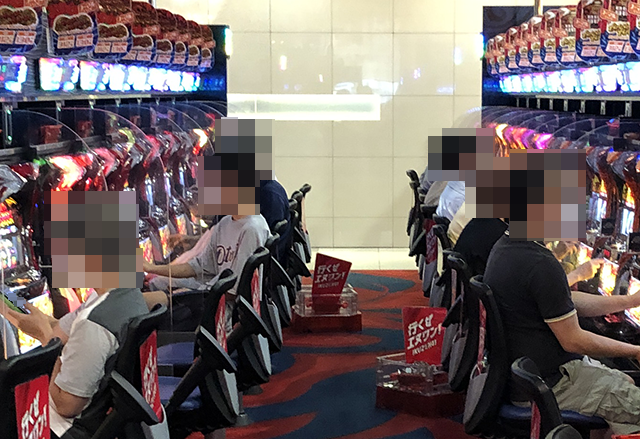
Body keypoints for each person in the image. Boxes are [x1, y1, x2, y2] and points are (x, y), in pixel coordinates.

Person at [1, 191, 149, 438]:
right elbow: (61, 329)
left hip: (66, 428)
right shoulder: (121, 295)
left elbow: (66, 404)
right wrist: (10, 302)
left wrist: (46, 339)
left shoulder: (95, 325)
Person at [484, 230, 640, 434]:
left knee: (626, 381)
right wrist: (634, 351)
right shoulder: (540, 262)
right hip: (546, 385)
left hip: (526, 377)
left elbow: (566, 300)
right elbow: (573, 340)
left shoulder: (507, 246)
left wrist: (630, 301)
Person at [143, 214, 270, 330]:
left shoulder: (251, 229)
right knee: (156, 285)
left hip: (223, 310)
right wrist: (152, 268)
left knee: (149, 306)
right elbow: (198, 266)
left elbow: (233, 292)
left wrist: (185, 294)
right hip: (211, 294)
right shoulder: (225, 223)